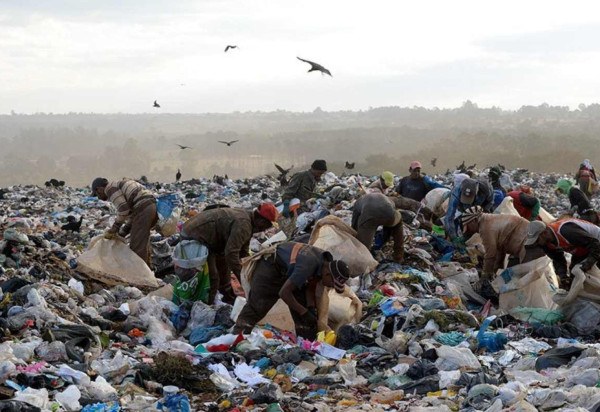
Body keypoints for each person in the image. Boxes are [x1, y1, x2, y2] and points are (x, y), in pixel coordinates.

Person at [233, 242, 350, 339]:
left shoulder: (324, 263)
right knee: (258, 306)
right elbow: (284, 293)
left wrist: (309, 308)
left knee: (304, 309)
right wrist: (304, 312)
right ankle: (237, 337)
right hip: (271, 268)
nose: (330, 287)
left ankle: (307, 344)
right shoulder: (307, 265)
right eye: (332, 284)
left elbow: (310, 286)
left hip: (288, 272)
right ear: (328, 274)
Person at [181, 203, 278, 304]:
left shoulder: (248, 220)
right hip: (194, 236)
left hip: (209, 238)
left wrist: (251, 270)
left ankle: (227, 298)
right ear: (262, 221)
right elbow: (231, 254)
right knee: (213, 277)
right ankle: (208, 306)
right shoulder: (244, 224)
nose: (266, 229)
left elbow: (243, 251)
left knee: (224, 269)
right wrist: (243, 279)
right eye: (268, 225)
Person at [91, 178, 158, 265]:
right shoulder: (117, 185)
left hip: (144, 208)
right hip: (151, 207)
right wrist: (123, 232)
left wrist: (115, 228)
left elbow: (123, 210)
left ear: (99, 189)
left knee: (137, 246)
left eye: (97, 194)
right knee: (142, 241)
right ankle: (148, 269)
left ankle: (139, 274)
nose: (99, 197)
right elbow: (132, 216)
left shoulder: (109, 188)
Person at [460, 206, 529, 282]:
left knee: (521, 278)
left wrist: (485, 276)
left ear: (474, 220)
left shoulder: (485, 227)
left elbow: (490, 255)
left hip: (525, 241)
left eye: (469, 227)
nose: (470, 231)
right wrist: (495, 272)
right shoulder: (488, 219)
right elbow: (499, 252)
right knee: (509, 276)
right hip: (522, 239)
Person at [524, 219, 600, 285]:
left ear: (544, 233)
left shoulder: (566, 231)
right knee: (575, 276)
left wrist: (587, 264)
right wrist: (563, 276)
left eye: (537, 240)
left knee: (589, 271)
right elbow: (558, 259)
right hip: (582, 249)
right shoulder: (546, 243)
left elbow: (595, 245)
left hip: (596, 243)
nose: (537, 243)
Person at [352, 193, 404, 262]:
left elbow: (354, 224)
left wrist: (357, 235)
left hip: (370, 217)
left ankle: (362, 263)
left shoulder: (357, 204)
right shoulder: (388, 199)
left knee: (364, 246)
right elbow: (393, 210)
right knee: (398, 224)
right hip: (389, 214)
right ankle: (399, 257)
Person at [444, 177, 494, 242]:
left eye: (470, 197)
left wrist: (484, 212)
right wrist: (454, 237)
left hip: (481, 208)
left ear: (476, 191)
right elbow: (449, 217)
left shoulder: (487, 189)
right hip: (463, 208)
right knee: (463, 222)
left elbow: (490, 202)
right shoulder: (456, 191)